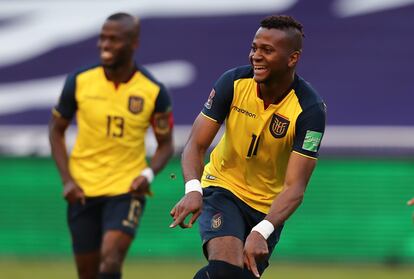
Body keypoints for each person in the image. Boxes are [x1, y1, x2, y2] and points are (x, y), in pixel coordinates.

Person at [170, 15, 326, 279]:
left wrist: (262, 230)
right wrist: (193, 189)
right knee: (225, 268)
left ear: (292, 58)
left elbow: (295, 188)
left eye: (267, 50)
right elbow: (195, 145)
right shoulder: (232, 83)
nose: (256, 56)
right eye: (255, 48)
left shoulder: (309, 110)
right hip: (222, 188)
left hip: (267, 209)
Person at [49, 13, 174, 279]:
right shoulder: (79, 81)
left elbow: (166, 145)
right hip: (83, 189)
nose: (105, 44)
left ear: (133, 43)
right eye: (103, 37)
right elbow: (55, 130)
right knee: (88, 273)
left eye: (114, 39)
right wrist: (67, 180)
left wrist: (147, 174)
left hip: (126, 189)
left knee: (111, 259)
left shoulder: (153, 91)